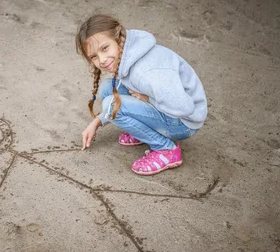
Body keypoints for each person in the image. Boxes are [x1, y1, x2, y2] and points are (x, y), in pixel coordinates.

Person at [76, 14, 207, 175]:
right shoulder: (129, 52)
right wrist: (98, 121)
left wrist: (149, 99)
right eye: (94, 56)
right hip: (170, 107)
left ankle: (166, 149)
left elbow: (185, 108)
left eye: (104, 48)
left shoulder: (144, 72)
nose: (102, 60)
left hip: (184, 123)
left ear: (117, 39)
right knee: (107, 90)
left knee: (111, 105)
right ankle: (146, 129)